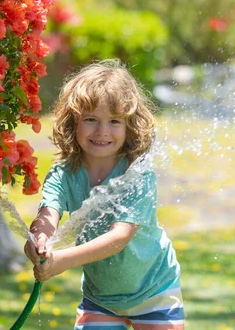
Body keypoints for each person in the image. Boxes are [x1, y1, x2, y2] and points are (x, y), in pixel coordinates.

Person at [24, 59, 184, 329]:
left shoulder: (136, 174)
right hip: (101, 299)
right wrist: (38, 243)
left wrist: (61, 260)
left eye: (114, 121)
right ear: (73, 122)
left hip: (154, 290)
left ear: (129, 126)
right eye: (91, 120)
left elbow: (118, 237)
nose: (102, 131)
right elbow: (47, 215)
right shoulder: (64, 173)